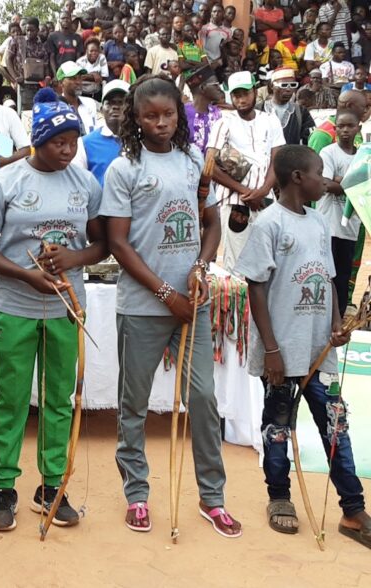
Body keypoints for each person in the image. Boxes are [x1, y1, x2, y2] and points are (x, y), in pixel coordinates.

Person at [101, 75, 241, 538]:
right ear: (135, 120)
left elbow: (211, 225)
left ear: (179, 115)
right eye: (150, 116)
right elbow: (118, 244)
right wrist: (167, 294)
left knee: (202, 397)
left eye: (168, 115)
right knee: (134, 404)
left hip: (194, 302)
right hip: (144, 304)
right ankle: (137, 494)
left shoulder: (192, 162)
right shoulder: (125, 168)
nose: (160, 124)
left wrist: (202, 266)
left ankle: (212, 498)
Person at [0, 88, 105, 532]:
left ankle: (51, 487)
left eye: (73, 142)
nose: (67, 151)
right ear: (37, 141)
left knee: (58, 399)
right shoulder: (5, 182)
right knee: (11, 400)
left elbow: (103, 242)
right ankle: (4, 487)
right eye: (58, 142)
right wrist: (27, 274)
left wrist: (73, 259)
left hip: (67, 307)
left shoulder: (84, 182)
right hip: (16, 307)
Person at [235, 144, 371, 548]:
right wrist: (272, 350)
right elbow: (256, 289)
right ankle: (279, 497)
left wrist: (335, 326)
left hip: (318, 350)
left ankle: (353, 508)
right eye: (318, 174)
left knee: (336, 425)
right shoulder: (269, 225)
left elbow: (329, 279)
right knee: (278, 428)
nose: (324, 182)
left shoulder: (316, 223)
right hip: (282, 352)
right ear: (297, 178)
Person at [207, 71, 285, 273]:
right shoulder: (224, 122)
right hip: (234, 202)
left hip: (266, 200)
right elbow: (208, 164)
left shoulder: (270, 120)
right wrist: (245, 192)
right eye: (236, 95)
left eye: (245, 93)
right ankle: (238, 306)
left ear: (255, 92)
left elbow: (277, 158)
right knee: (237, 266)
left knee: (268, 261)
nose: (240, 100)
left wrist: (262, 190)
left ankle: (262, 305)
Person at [316, 110, 362, 315]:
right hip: (328, 226)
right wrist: (354, 185)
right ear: (335, 130)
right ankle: (322, 318)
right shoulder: (328, 152)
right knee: (325, 275)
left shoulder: (362, 157)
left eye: (349, 126)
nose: (344, 130)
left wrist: (340, 181)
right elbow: (325, 184)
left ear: (358, 128)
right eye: (340, 126)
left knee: (343, 276)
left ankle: (338, 319)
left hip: (350, 227)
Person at [73, 79, 129, 185]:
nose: (115, 106)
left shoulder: (141, 141)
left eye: (121, 102)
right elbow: (78, 184)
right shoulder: (84, 144)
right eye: (110, 103)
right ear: (102, 109)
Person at [259, 68, 315, 146]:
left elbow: (310, 138)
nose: (289, 89)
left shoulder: (301, 112)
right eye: (284, 85)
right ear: (272, 86)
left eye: (292, 85)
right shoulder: (258, 110)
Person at [6, 17, 51, 112]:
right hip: (23, 85)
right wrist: (15, 77)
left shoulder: (41, 46)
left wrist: (47, 77)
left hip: (39, 86)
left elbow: (46, 65)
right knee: (26, 113)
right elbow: (8, 59)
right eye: (27, 30)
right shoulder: (17, 41)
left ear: (38, 30)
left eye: (32, 30)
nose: (29, 33)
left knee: (39, 111)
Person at [308, 88, 366, 153]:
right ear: (349, 106)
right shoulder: (322, 135)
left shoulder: (356, 128)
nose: (366, 111)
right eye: (364, 107)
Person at [184, 66, 223, 154]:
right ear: (202, 88)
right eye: (215, 85)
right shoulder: (182, 114)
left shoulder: (218, 114)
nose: (219, 88)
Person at [56, 62, 99, 135]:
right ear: (61, 83)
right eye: (73, 78)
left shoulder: (90, 103)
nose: (78, 82)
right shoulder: (55, 108)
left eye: (80, 78)